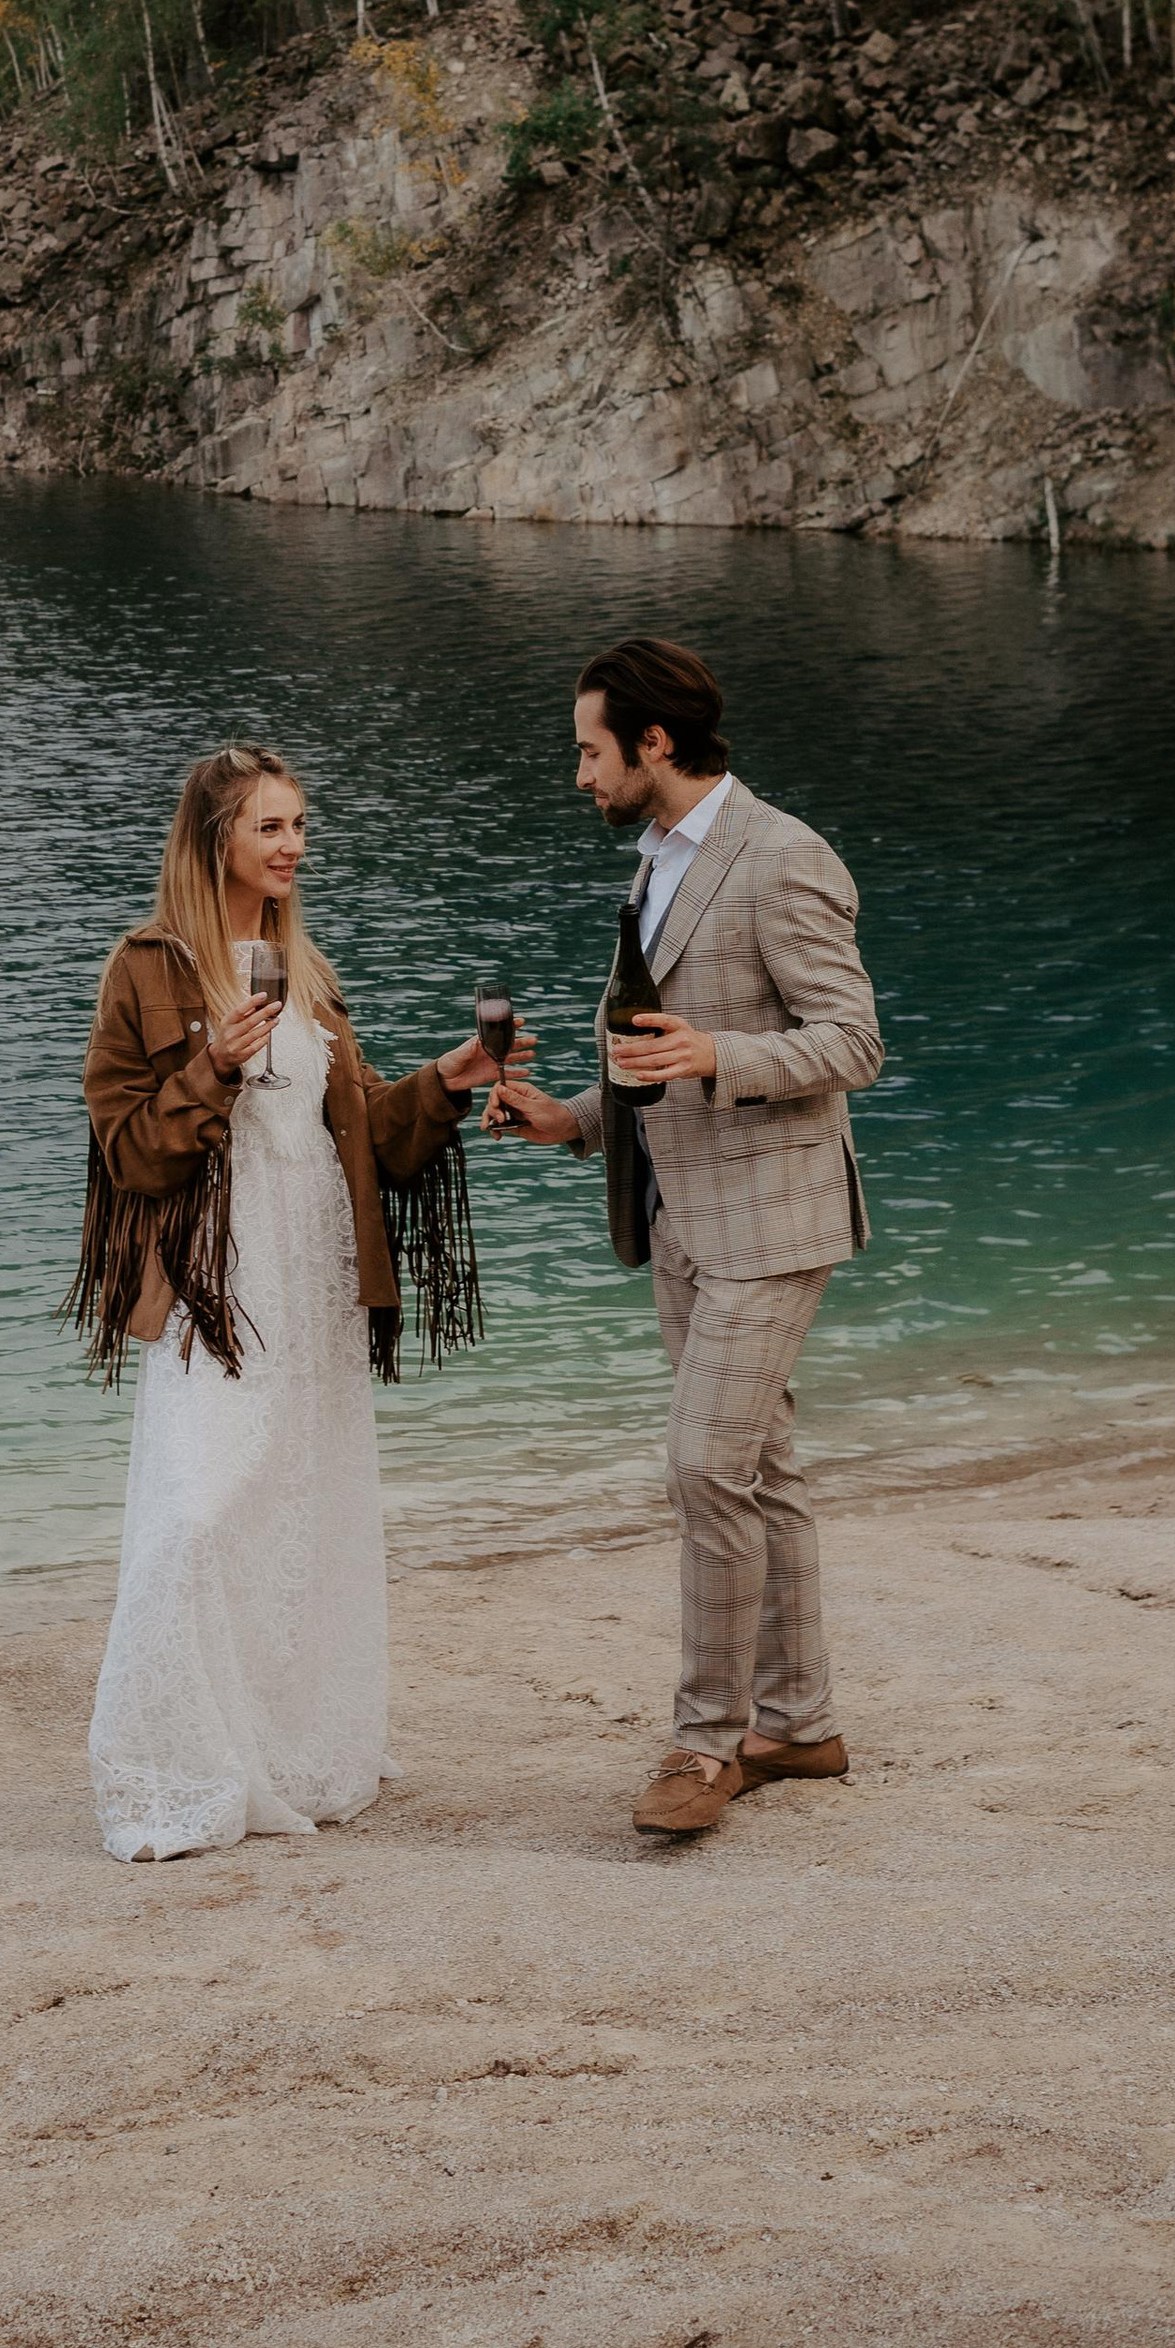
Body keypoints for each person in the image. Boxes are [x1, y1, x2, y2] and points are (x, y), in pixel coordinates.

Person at [66, 742, 512, 1864]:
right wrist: (211, 1066)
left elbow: (361, 1133)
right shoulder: (146, 968)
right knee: (199, 1509)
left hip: (313, 1274)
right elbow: (127, 1153)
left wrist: (451, 1080)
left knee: (297, 1513)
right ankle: (171, 1767)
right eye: (270, 826)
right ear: (214, 835)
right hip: (217, 1285)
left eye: (300, 825)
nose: (292, 846)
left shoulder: (302, 970)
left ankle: (291, 1744)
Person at [486, 637, 881, 1839]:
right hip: (679, 1223)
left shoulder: (782, 858)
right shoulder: (658, 862)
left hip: (770, 1220)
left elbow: (853, 1042)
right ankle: (797, 1722)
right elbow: (658, 1063)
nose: (578, 776)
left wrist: (720, 1054)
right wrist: (573, 1124)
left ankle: (704, 1746)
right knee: (761, 1472)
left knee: (705, 1470)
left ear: (654, 743)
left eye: (589, 752)